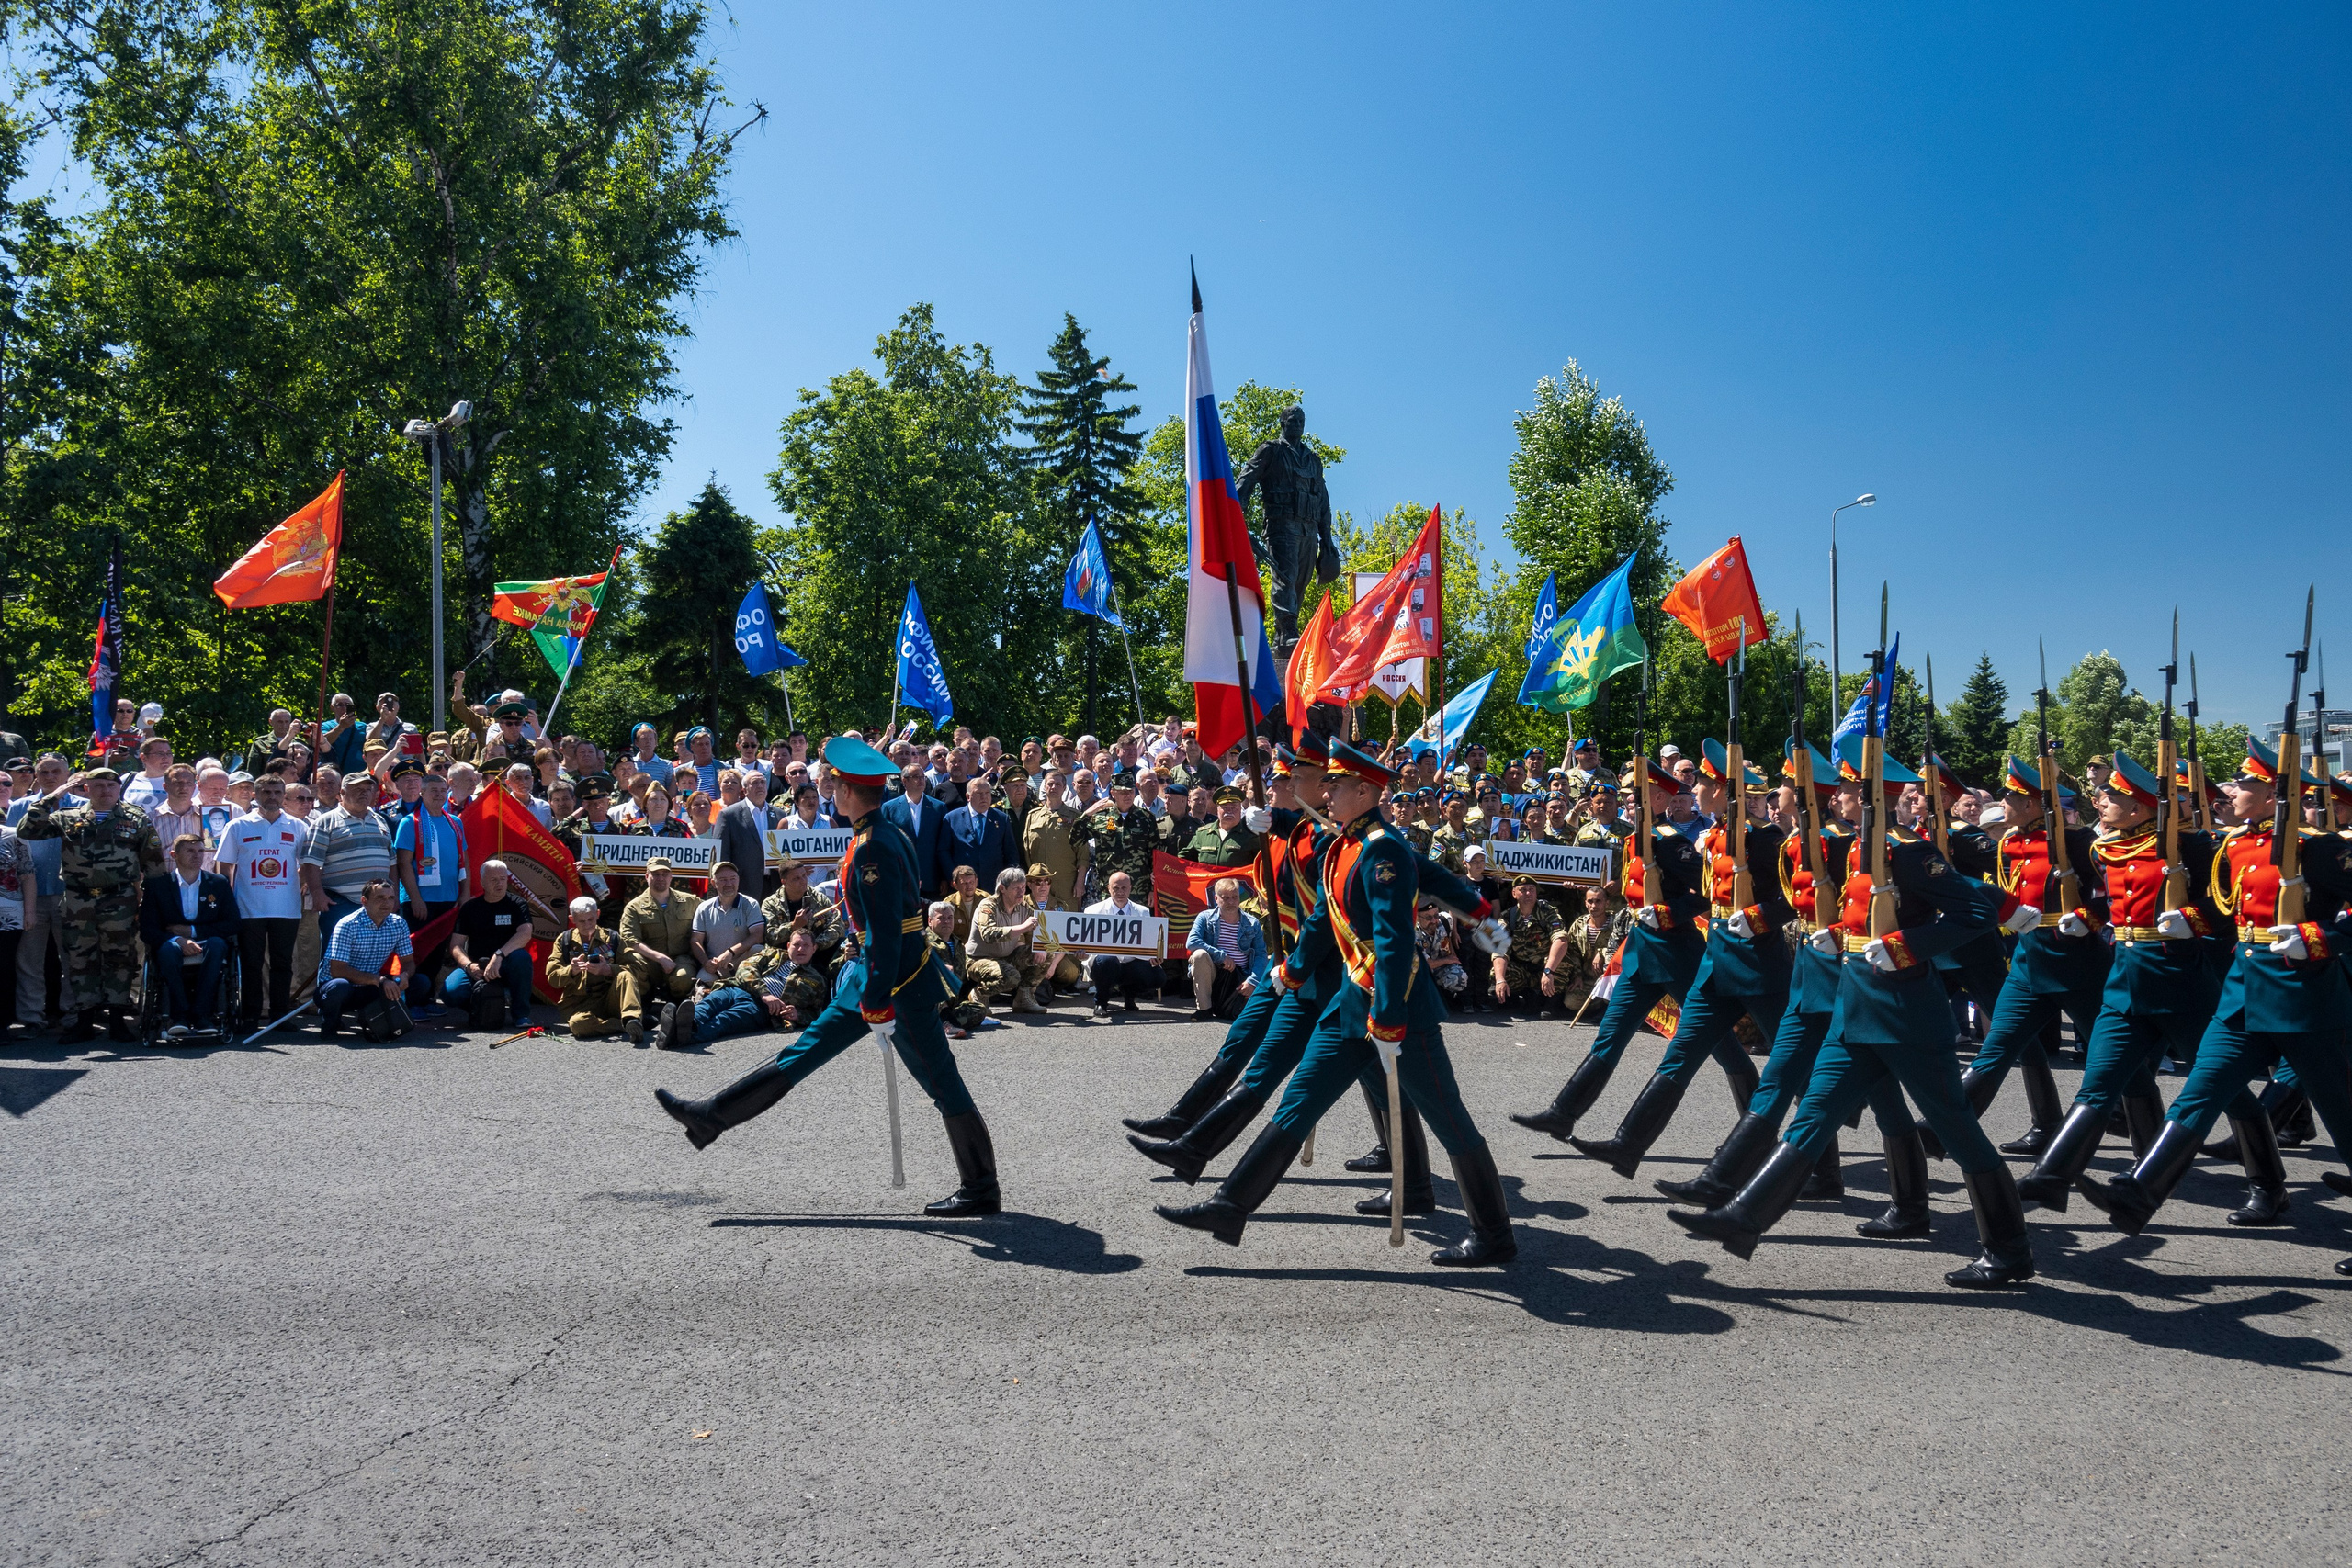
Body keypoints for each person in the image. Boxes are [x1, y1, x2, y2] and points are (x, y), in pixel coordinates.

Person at [1154, 739, 1517, 1267]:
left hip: (1398, 1011)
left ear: (1366, 792)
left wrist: (1393, 1014)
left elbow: (1393, 940)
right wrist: (1294, 970)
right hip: (1351, 1001)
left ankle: (1495, 1234)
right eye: (1326, 784)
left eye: (1336, 785)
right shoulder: (1348, 844)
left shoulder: (1380, 848)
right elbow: (1348, 907)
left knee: (1449, 1118)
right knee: (1298, 1101)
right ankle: (1230, 1205)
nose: (1326, 792)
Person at [1671, 767, 2032, 1290]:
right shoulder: (1861, 850)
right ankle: (1743, 1218)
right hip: (1855, 1007)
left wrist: (1907, 946)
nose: (1834, 798)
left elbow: (1976, 910)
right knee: (1814, 1111)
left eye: (1843, 791)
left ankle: (2009, 1250)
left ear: (1865, 797)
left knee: (1957, 1128)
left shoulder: (1905, 851)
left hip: (1906, 1015)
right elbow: (1863, 920)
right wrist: (1839, 934)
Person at [652, 735, 1002, 1219]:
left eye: (834, 784)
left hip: (896, 984)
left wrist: (878, 996)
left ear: (846, 792)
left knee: (942, 1081)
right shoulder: (881, 834)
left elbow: (885, 932)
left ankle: (981, 1186)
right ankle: (710, 1116)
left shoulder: (873, 846)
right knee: (802, 1051)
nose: (831, 790)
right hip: (873, 977)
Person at [2076, 738, 2352, 1244]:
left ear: (2273, 795)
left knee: (2342, 1113)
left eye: (2245, 783)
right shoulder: (2238, 844)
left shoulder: (2319, 847)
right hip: (2243, 994)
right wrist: (2190, 919)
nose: (2232, 790)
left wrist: (2321, 938)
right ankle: (2139, 1194)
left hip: (2303, 1000)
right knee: (2200, 1093)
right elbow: (2225, 909)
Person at [2015, 751, 2269, 1215]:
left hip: (2179, 984)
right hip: (2124, 980)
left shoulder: (2192, 848)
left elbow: (2232, 902)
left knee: (2227, 1089)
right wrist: (2086, 919)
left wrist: (2193, 919)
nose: (2101, 801)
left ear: (2138, 807)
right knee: (2098, 1083)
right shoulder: (2102, 847)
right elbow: (2103, 897)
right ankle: (2049, 1178)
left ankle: (2268, 1185)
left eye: (2111, 796)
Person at [1568, 739, 1814, 1188]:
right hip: (1717, 963)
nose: (1693, 789)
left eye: (1701, 782)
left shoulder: (1763, 840)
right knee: (1680, 1053)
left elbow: (1797, 897)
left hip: (1761, 965)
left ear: (1721, 790)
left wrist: (1757, 917)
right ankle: (1628, 1144)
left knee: (1791, 1060)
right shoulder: (1717, 835)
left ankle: (1823, 1168)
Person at [1511, 757, 1756, 1145]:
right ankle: (1563, 1115)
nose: (1625, 799)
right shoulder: (1634, 839)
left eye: (1633, 794)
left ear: (1658, 797)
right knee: (1610, 1035)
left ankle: (1756, 1126)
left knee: (1722, 1045)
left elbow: (1705, 894)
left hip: (1678, 954)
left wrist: (1668, 913)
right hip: (1643, 952)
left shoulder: (1671, 843)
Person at [1921, 752, 2101, 1161]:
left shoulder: (2074, 841)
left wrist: (2088, 918)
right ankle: (1942, 1130)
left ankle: (2144, 1136)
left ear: (2032, 804)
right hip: (2018, 956)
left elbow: (2113, 888)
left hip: (2070, 960)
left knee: (2115, 1056)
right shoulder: (2011, 841)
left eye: (2010, 798)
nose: (2000, 807)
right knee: (2000, 1043)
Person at [17, 766, 164, 1044]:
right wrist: (55, 794)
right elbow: (28, 828)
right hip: (77, 899)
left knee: (120, 958)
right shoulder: (67, 817)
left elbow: (154, 864)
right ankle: (84, 1021)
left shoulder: (135, 819)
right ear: (86, 789)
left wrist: (154, 904)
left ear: (119, 790)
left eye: (111, 786)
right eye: (98, 786)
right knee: (79, 960)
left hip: (119, 898)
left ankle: (118, 1021)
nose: (105, 791)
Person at [214, 774, 308, 1032]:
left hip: (286, 907)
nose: (272, 797)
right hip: (248, 907)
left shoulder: (297, 826)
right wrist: (226, 902)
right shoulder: (238, 826)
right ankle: (250, 1015)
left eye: (277, 792)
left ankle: (280, 1014)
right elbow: (224, 866)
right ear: (255, 795)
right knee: (251, 964)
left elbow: (307, 864)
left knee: (282, 963)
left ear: (283, 796)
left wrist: (303, 884)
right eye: (266, 792)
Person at [139, 833, 238, 1039]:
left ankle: (202, 1013)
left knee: (218, 945)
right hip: (172, 942)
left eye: (201, 851)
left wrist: (192, 933)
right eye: (190, 851)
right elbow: (148, 929)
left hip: (207, 940)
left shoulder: (218, 883)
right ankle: (179, 1015)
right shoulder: (158, 886)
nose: (197, 856)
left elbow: (232, 923)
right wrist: (179, 940)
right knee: (167, 950)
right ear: (174, 855)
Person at [300, 773, 398, 949]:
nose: (364, 793)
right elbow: (311, 862)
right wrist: (317, 893)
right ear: (342, 793)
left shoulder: (381, 821)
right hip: (340, 902)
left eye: (368, 789)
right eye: (357, 789)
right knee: (336, 956)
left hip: (378, 903)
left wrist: (394, 895)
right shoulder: (325, 822)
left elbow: (392, 864)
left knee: (373, 954)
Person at [444, 858, 536, 1027]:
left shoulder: (517, 904)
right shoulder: (470, 908)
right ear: (482, 882)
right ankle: (485, 1006)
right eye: (493, 880)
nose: (499, 884)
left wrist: (499, 955)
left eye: (502, 879)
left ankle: (521, 1014)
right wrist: (469, 966)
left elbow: (525, 933)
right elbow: (455, 945)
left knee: (522, 958)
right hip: (477, 966)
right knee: (450, 992)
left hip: (506, 964)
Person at [619, 854, 699, 1045]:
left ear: (671, 877)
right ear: (647, 876)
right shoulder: (634, 907)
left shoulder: (690, 902)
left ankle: (677, 1007)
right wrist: (658, 957)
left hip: (680, 958)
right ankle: (643, 1006)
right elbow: (628, 938)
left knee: (683, 978)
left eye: (665, 874)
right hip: (651, 962)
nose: (661, 878)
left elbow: (707, 925)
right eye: (656, 874)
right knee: (634, 962)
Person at [315, 879, 412, 1036]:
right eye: (380, 898)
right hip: (337, 988)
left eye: (391, 898)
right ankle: (330, 1022)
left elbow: (408, 962)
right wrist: (379, 980)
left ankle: (370, 1018)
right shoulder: (347, 924)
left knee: (420, 982)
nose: (386, 903)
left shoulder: (399, 924)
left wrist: (404, 976)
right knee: (339, 986)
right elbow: (338, 970)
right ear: (364, 901)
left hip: (370, 986)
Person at [967, 865, 1050, 1016]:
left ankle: (1023, 998)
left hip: (1005, 958)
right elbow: (988, 934)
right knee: (1011, 976)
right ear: (1002, 888)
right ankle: (979, 994)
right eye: (1016, 888)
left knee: (1045, 954)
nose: (1021, 892)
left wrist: (1042, 946)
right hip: (978, 960)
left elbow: (1044, 927)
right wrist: (1022, 928)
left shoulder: (1023, 906)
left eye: (1023, 887)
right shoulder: (988, 906)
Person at [1488, 873, 1572, 1014]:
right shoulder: (1508, 917)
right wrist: (1500, 980)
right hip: (1523, 968)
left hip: (1544, 967)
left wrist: (1548, 970)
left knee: (1562, 963)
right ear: (1514, 893)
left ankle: (1552, 1001)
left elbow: (1561, 940)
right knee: (1498, 972)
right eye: (1523, 889)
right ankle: (1515, 997)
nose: (1528, 893)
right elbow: (1500, 950)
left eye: (1532, 889)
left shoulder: (1548, 912)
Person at [1185, 875, 1265, 1021]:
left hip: (1241, 975)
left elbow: (1260, 954)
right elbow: (1192, 942)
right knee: (1199, 955)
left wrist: (1253, 981)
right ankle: (1204, 1009)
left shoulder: (1252, 923)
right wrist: (1222, 956)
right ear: (1216, 898)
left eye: (1234, 897)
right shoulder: (1205, 917)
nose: (1231, 902)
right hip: (1214, 972)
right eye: (1225, 898)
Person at [1082, 869, 1159, 1016]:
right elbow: (1086, 945)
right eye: (1116, 888)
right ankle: (1101, 1002)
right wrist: (1082, 954)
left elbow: (1148, 942)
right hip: (1104, 964)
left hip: (1130, 962)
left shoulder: (1143, 912)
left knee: (1158, 977)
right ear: (1109, 889)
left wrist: (1153, 956)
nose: (1120, 892)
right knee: (1107, 961)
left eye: (1124, 888)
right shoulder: (1092, 911)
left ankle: (1129, 996)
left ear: (1130, 888)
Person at [547, 896, 625, 1040]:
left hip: (609, 997)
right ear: (572, 919)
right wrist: (571, 970)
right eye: (582, 921)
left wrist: (608, 969)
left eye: (591, 919)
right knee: (579, 1026)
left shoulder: (612, 938)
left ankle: (632, 1016)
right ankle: (626, 1024)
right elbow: (552, 977)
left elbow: (635, 969)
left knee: (625, 975)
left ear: (598, 915)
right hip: (579, 1003)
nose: (587, 924)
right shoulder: (564, 941)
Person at [1080, 771, 1159, 905]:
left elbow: (1155, 854)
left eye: (1130, 791)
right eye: (1122, 792)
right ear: (1113, 793)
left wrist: (1153, 889)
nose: (1127, 795)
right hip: (1106, 889)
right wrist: (1087, 815)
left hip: (1139, 889)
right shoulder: (1100, 817)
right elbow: (1075, 839)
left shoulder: (1146, 818)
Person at [689, 861, 765, 988]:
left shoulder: (750, 904)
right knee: (703, 980)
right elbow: (695, 940)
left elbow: (758, 935)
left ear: (738, 880)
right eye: (723, 880)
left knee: (758, 950)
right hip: (716, 966)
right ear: (713, 883)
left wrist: (731, 952)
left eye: (733, 879)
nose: (729, 884)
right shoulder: (704, 908)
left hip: (744, 962)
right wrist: (705, 962)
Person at [881, 762, 950, 898]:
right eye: (916, 777)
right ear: (904, 781)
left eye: (922, 777)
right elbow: (885, 844)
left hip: (931, 879)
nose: (921, 780)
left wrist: (944, 877)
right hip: (901, 878)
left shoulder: (939, 807)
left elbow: (943, 845)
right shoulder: (890, 808)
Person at [1023, 771, 1089, 908]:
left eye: (1058, 784)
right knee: (1039, 926)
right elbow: (1027, 851)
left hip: (1066, 884)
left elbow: (1083, 855)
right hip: (1038, 884)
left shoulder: (1075, 817)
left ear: (1064, 788)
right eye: (1050, 784)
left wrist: (1080, 882)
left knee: (1066, 925)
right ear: (1044, 787)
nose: (1053, 787)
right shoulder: (1032, 816)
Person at [943, 774, 1017, 893]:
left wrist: (1009, 879)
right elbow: (943, 851)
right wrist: (953, 877)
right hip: (963, 885)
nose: (984, 797)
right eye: (979, 793)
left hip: (994, 884)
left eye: (987, 793)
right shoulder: (952, 818)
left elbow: (1010, 852)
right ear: (968, 796)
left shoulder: (1002, 818)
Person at [715, 769, 780, 898]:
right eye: (755, 783)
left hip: (775, 884)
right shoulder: (729, 815)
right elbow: (722, 854)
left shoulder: (779, 814)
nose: (760, 786)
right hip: (743, 885)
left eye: (762, 782)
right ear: (744, 790)